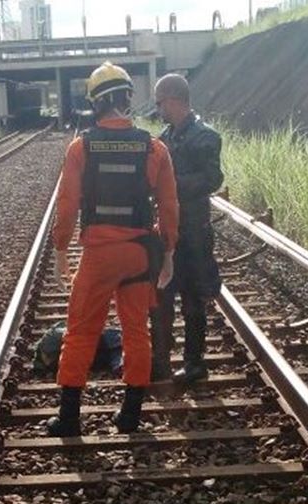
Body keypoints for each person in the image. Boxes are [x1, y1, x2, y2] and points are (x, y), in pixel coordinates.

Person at [47, 61, 179, 437]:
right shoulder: (155, 148)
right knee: (137, 330)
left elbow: (68, 205)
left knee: (81, 331)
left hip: (100, 255)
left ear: (95, 104)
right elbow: (169, 208)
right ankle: (130, 415)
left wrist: (60, 251)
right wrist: (167, 252)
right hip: (139, 254)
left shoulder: (80, 148)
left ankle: (70, 418)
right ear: (126, 98)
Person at [150, 73, 224, 384]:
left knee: (194, 298)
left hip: (193, 231)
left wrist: (170, 186)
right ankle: (161, 357)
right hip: (167, 230)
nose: (158, 109)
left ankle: (194, 363)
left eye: (160, 102)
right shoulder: (165, 138)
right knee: (161, 294)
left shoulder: (205, 136)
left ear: (174, 99)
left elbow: (213, 179)